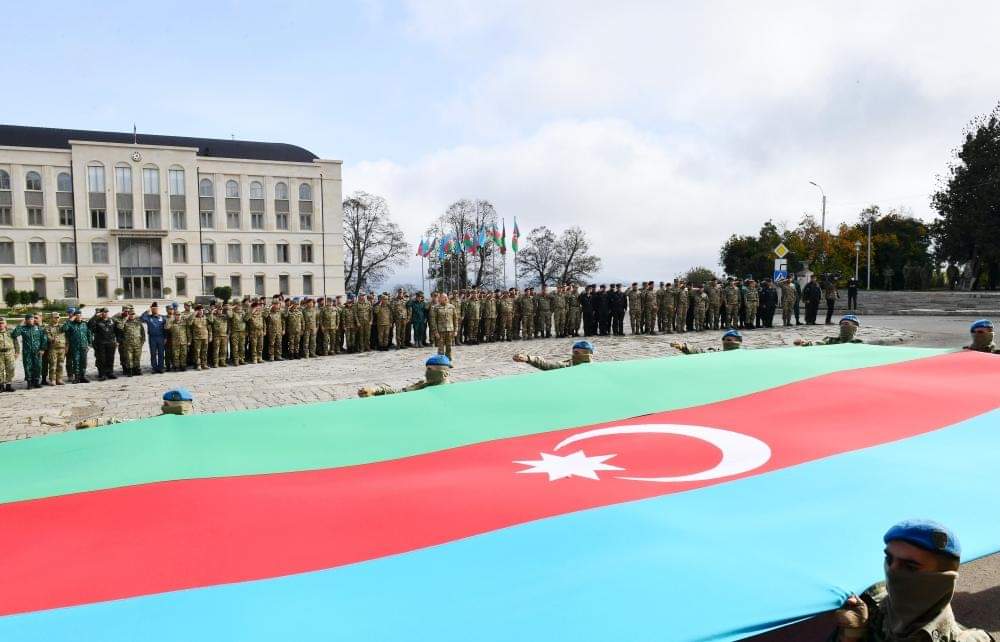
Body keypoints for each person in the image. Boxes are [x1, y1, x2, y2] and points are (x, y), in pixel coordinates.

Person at [832, 519, 992, 642]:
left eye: (910, 566)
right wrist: (853, 635)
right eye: (889, 559)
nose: (892, 571)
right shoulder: (870, 608)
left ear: (942, 580)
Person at [357, 354, 452, 397]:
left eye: (430, 370)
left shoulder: (451, 392)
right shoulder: (423, 385)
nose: (427, 372)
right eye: (427, 369)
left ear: (444, 373)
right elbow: (401, 392)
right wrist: (376, 390)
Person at [11, 314, 48, 389]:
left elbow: (44, 338)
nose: (31, 320)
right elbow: (14, 334)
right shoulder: (23, 328)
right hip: (27, 352)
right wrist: (21, 323)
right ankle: (29, 382)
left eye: (32, 319)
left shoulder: (38, 328)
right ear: (26, 320)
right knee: (28, 367)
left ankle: (36, 381)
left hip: (37, 351)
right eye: (29, 319)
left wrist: (42, 349)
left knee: (38, 366)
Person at [513, 340, 594, 370]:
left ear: (589, 353)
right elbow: (547, 365)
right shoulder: (568, 366)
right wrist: (528, 358)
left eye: (577, 352)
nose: (575, 354)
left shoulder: (595, 368)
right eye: (574, 352)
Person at [62, 308, 92, 383]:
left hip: (84, 346)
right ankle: (77, 377)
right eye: (77, 316)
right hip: (74, 347)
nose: (79, 317)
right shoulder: (70, 324)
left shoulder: (84, 324)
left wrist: (89, 344)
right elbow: (63, 329)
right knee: (76, 362)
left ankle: (83, 376)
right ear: (74, 316)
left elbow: (89, 334)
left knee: (84, 362)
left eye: (80, 315)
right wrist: (70, 320)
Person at [88, 307, 118, 380]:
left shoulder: (112, 320)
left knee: (110, 358)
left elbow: (117, 330)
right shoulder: (97, 321)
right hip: (100, 343)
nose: (105, 313)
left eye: (107, 312)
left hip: (111, 342)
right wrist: (95, 316)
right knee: (101, 359)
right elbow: (89, 326)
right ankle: (102, 374)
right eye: (104, 312)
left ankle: (110, 372)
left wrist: (118, 340)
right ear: (101, 313)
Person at [795, 314, 864, 346]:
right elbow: (819, 343)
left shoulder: (859, 343)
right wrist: (806, 343)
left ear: (855, 327)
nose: (843, 326)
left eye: (846, 324)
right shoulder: (831, 340)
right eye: (841, 324)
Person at [139, 302, 167, 373]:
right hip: (152, 338)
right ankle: (154, 368)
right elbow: (141, 318)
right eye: (153, 309)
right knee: (153, 353)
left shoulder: (162, 317)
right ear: (151, 309)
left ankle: (160, 368)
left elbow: (165, 328)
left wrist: (165, 337)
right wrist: (147, 311)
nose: (155, 310)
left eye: (156, 308)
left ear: (158, 309)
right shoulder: (148, 317)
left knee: (161, 353)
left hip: (161, 337)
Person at [671, 329, 743, 354]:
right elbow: (700, 352)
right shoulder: (718, 354)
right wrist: (684, 347)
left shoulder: (745, 354)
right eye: (725, 340)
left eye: (729, 340)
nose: (726, 342)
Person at [432, 292, 458, 360]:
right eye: (444, 297)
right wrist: (435, 332)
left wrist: (455, 330)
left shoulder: (452, 307)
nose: (446, 298)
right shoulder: (436, 308)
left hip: (450, 330)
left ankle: (448, 361)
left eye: (446, 297)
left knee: (449, 347)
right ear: (440, 298)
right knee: (441, 348)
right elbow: (433, 321)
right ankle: (441, 363)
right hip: (441, 331)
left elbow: (455, 319)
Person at [0, 317, 17, 391]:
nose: (1, 325)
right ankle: (1, 385)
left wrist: (17, 352)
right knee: (0, 370)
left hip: (9, 353)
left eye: (2, 323)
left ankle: (8, 385)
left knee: (11, 369)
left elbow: (16, 343)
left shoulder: (10, 332)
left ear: (5, 324)